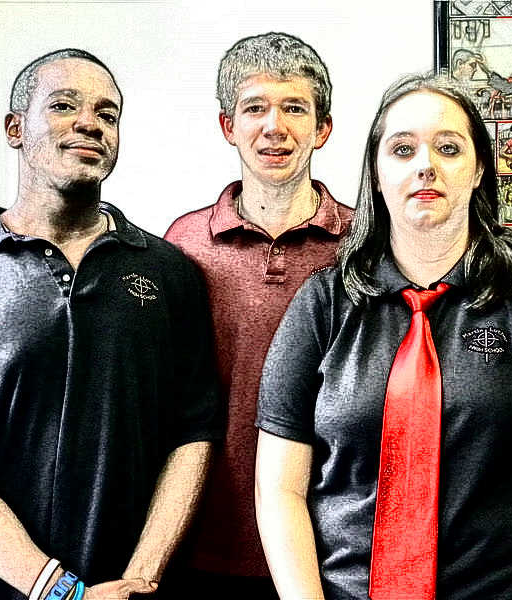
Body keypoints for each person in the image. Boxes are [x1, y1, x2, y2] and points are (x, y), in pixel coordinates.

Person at [255, 74, 512, 600]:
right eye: (402, 149)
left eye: (448, 148)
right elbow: (279, 489)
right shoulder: (323, 303)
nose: (426, 166)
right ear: (376, 174)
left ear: (478, 169)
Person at [0, 49, 219, 600]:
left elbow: (192, 435)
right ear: (15, 128)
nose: (90, 123)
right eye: (64, 106)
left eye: (107, 114)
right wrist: (62, 593)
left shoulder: (169, 273)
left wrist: (139, 580)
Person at [162, 33, 352, 598]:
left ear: (323, 128)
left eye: (294, 108)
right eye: (255, 108)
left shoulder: (364, 244)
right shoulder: (183, 244)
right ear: (228, 126)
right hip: (206, 541)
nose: (275, 127)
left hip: (334, 545)